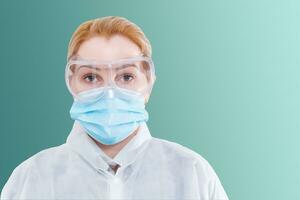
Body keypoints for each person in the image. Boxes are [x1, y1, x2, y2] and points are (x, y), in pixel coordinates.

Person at [1, 16, 229, 200]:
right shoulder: (31, 178)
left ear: (148, 83)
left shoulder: (191, 173)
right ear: (72, 82)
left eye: (126, 76)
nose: (109, 93)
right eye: (90, 77)